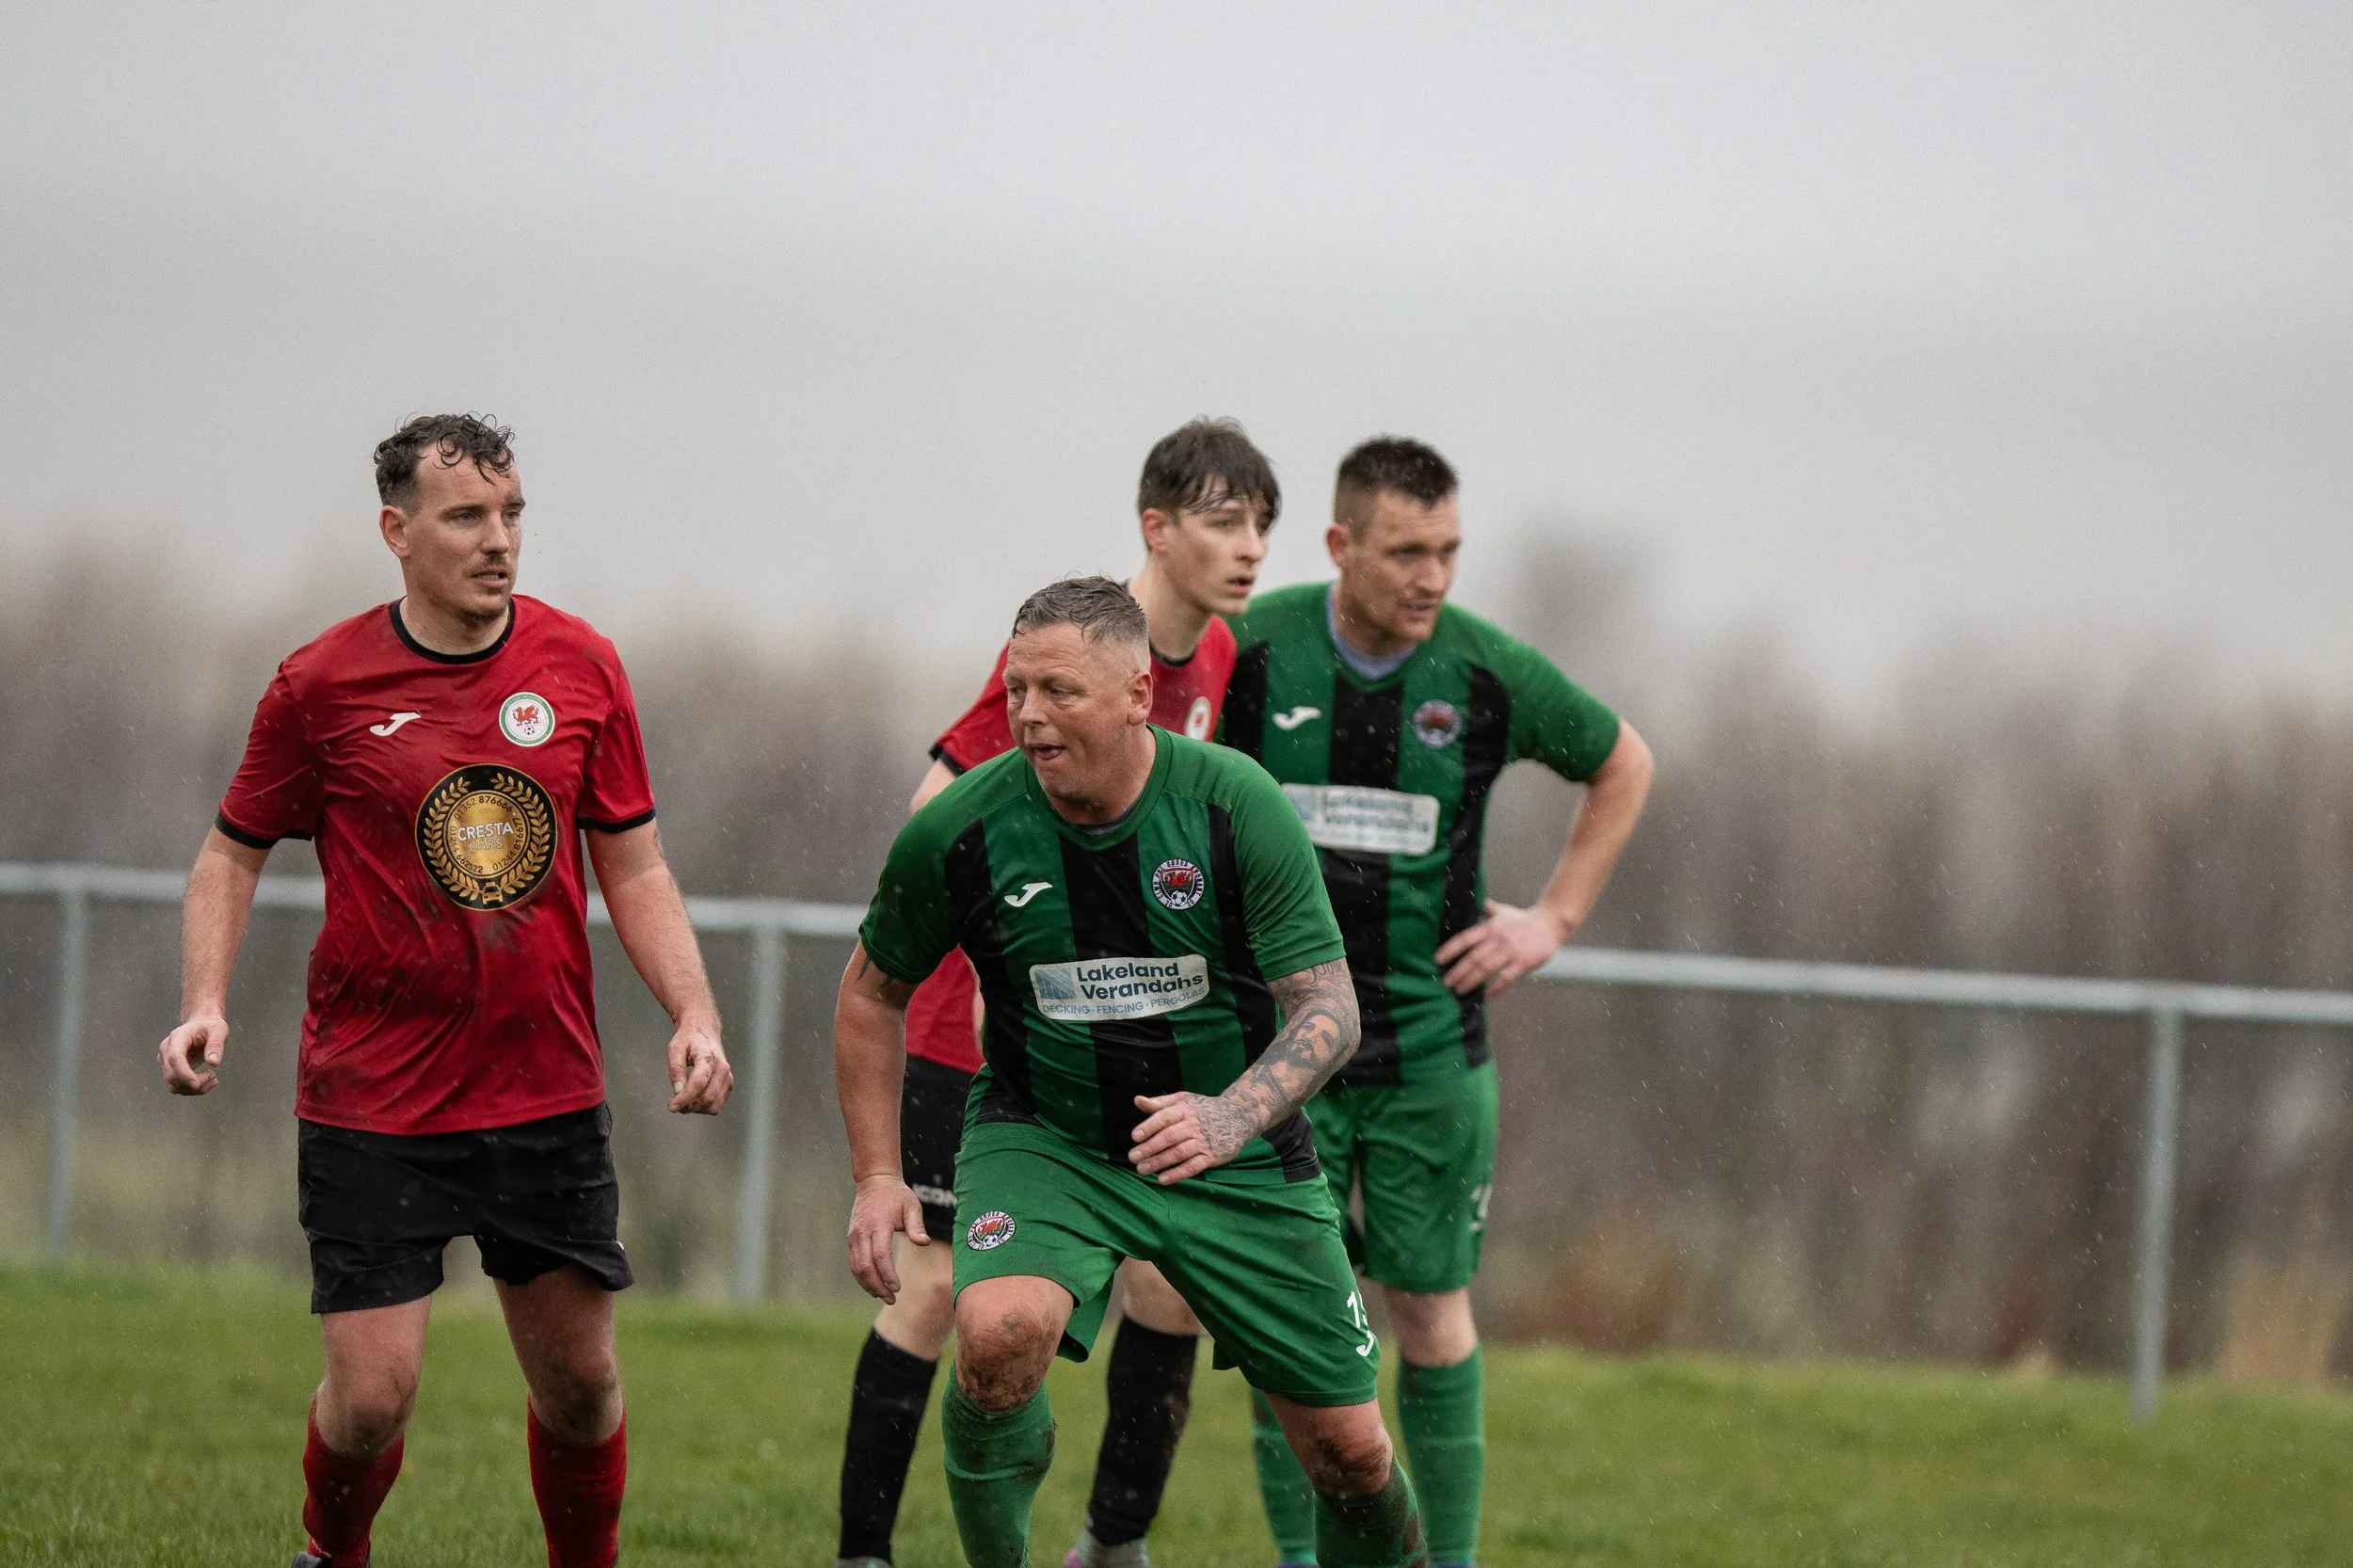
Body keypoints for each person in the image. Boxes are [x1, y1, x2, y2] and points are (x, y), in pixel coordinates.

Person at [157, 414, 732, 1568]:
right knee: (371, 1398)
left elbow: (635, 863)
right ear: (396, 530)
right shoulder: (320, 682)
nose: (498, 540)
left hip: (543, 1088)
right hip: (373, 1099)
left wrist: (696, 1013)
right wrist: (205, 999)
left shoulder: (582, 665)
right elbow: (230, 851)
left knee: (579, 1384)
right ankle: (332, 1550)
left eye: (512, 513)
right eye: (466, 516)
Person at [837, 578, 1429, 1568]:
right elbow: (868, 995)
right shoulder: (961, 831)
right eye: (1018, 688)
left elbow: (1329, 1007)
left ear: (1135, 695)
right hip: (1048, 1136)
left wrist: (1229, 1115)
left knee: (1350, 1454)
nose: (1028, 715)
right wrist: (874, 1176)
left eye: (1059, 691)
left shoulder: (1234, 802)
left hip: (1234, 1154)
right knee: (994, 1334)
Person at [837, 420, 1278, 1568]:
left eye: (1262, 524)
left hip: (1129, 1035)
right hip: (975, 1029)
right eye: (1225, 520)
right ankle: (862, 1553)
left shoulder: (1214, 658)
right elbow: (933, 828)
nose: (1250, 548)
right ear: (1157, 527)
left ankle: (1111, 1541)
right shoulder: (1058, 662)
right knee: (938, 1291)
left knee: (1167, 1282)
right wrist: (1004, 976)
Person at [1222, 438, 1654, 1568]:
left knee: (1426, 1314)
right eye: (1406, 551)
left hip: (1429, 1053)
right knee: (1291, 1324)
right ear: (1338, 544)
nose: (1432, 577)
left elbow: (1622, 763)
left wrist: (1549, 920)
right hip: (1274, 1056)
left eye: (1449, 552)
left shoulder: (1480, 672)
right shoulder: (1251, 650)